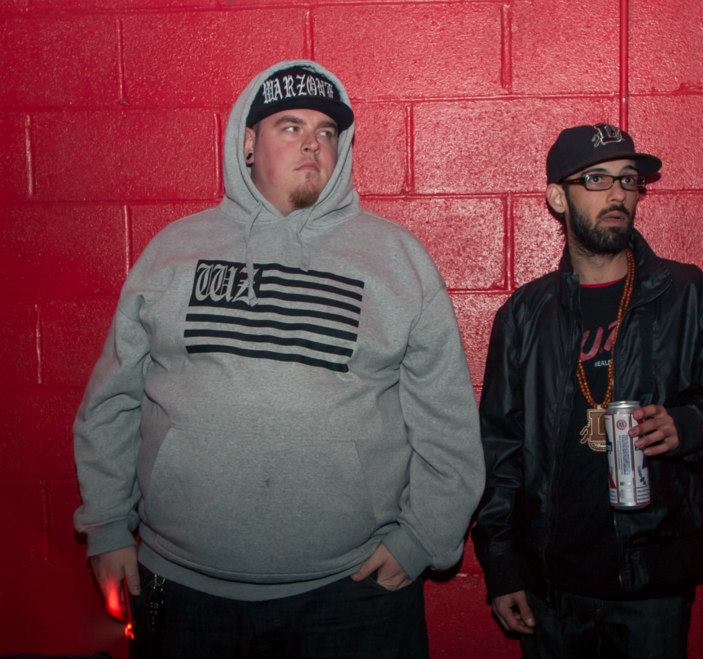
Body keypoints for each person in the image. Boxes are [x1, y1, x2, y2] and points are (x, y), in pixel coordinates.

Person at [73, 59, 484, 658]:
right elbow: (113, 401)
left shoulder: (398, 261)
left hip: (354, 593)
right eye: (290, 126)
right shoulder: (173, 252)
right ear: (247, 142)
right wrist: (107, 526)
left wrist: (423, 538)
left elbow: (447, 422)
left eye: (326, 130)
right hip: (185, 591)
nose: (313, 143)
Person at [472, 124, 703, 659]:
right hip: (551, 585)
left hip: (652, 581)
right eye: (597, 179)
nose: (619, 194)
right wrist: (503, 564)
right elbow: (499, 449)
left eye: (628, 180)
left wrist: (687, 425)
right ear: (558, 198)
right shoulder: (525, 315)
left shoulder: (690, 295)